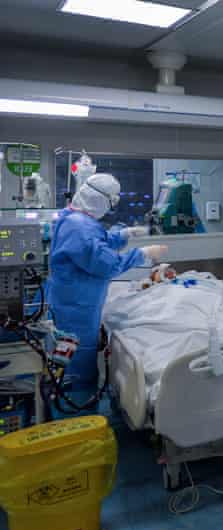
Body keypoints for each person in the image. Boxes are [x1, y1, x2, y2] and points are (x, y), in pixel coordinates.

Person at [49, 173, 167, 413]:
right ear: (101, 200)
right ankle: (77, 416)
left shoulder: (74, 218)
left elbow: (97, 242)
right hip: (76, 310)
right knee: (76, 368)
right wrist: (143, 254)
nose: (111, 208)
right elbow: (106, 263)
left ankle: (75, 406)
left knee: (72, 361)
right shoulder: (79, 228)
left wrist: (126, 234)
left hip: (73, 301)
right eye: (111, 203)